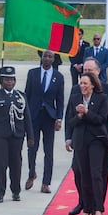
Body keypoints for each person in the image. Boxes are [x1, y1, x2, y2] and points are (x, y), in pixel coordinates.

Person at [67, 57, 108, 215]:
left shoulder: (107, 91)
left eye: (90, 71)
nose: (87, 74)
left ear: (98, 71)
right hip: (80, 139)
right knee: (78, 171)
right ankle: (84, 202)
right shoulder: (76, 90)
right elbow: (69, 115)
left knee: (99, 173)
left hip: (100, 139)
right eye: (85, 71)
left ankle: (97, 206)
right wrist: (68, 138)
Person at [0, 66, 34, 203]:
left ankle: (16, 191)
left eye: (12, 79)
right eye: (6, 79)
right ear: (1, 81)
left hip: (17, 135)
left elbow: (27, 117)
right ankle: (0, 192)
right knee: (0, 165)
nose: (9, 82)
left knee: (16, 165)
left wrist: (30, 136)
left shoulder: (20, 97)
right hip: (0, 136)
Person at [65, 72, 108, 215]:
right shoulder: (74, 98)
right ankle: (86, 208)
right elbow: (70, 122)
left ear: (92, 85)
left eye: (85, 83)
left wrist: (87, 112)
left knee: (96, 173)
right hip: (80, 140)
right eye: (81, 83)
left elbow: (101, 119)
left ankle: (98, 208)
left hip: (96, 140)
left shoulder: (102, 98)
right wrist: (78, 116)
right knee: (83, 174)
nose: (82, 86)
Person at [24, 50, 64, 193]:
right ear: (41, 57)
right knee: (32, 148)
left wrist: (59, 118)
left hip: (49, 117)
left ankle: (46, 182)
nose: (47, 58)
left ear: (54, 59)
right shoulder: (32, 73)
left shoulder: (58, 77)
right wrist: (25, 117)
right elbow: (26, 95)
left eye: (50, 57)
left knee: (49, 151)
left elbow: (60, 100)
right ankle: (31, 173)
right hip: (33, 117)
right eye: (45, 56)